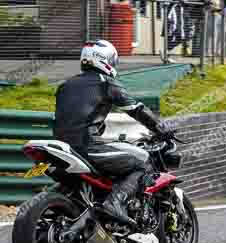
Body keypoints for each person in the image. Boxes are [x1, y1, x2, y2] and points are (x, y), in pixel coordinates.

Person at [53, 39, 174, 226]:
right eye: (112, 60)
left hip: (62, 148)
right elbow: (136, 109)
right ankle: (114, 202)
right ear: (104, 60)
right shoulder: (106, 84)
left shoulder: (65, 85)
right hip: (87, 148)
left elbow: (74, 117)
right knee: (143, 163)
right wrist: (160, 128)